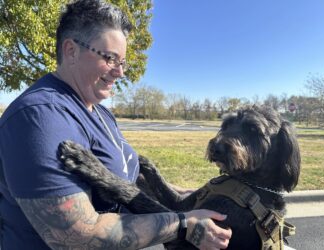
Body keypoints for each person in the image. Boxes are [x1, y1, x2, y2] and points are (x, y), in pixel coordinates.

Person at [0, 0, 232, 249]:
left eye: (122, 62)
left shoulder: (100, 112)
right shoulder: (42, 117)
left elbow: (127, 177)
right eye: (110, 58)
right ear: (71, 51)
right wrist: (183, 224)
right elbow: (78, 238)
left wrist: (184, 195)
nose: (120, 72)